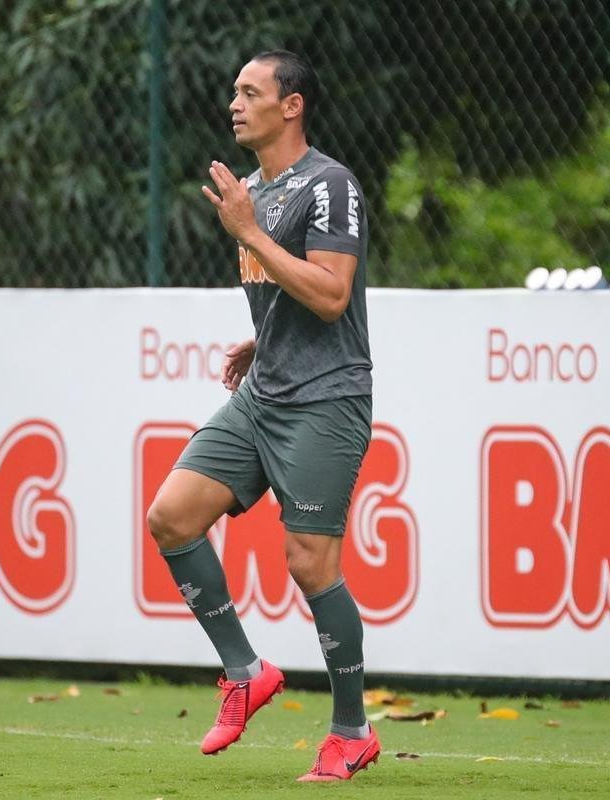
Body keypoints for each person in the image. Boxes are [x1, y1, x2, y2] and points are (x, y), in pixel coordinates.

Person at [145, 50, 377, 783]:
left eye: (251, 92)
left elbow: (334, 294)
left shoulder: (330, 183)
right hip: (265, 392)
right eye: (234, 92)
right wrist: (263, 334)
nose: (235, 104)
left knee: (310, 562)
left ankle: (351, 732)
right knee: (172, 517)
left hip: (326, 399)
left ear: (293, 104)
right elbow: (292, 286)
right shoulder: (250, 191)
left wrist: (250, 235)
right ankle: (246, 671)